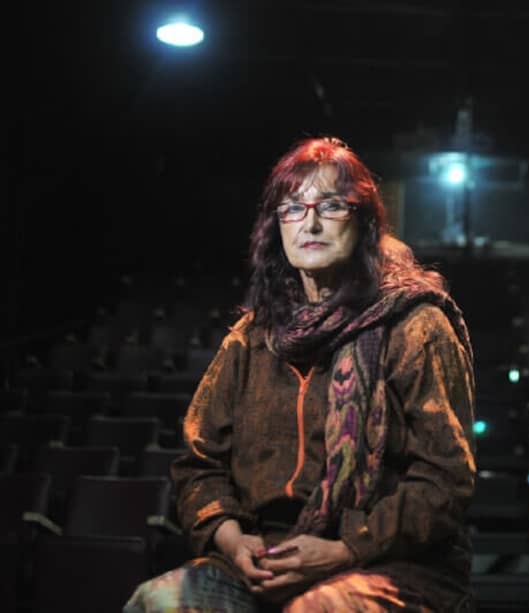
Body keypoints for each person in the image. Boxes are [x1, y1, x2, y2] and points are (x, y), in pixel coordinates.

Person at [125, 136, 477, 612]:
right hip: (262, 558)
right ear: (277, 227)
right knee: (162, 601)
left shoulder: (414, 326)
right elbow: (199, 464)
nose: (309, 222)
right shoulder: (251, 338)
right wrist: (232, 540)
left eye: (330, 206)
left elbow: (445, 478)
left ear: (364, 221)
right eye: (292, 208)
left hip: (387, 562)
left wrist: (346, 548)